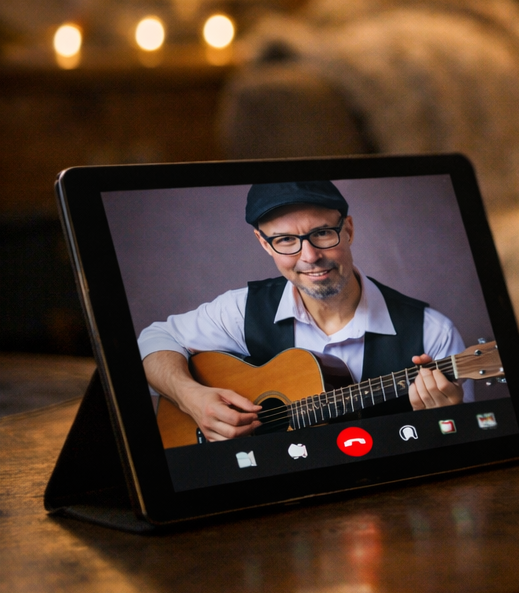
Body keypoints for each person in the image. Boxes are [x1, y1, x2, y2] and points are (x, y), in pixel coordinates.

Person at [140, 180, 469, 441]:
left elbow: (466, 449)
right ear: (265, 244)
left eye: (322, 233)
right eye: (285, 240)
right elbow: (153, 341)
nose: (309, 256)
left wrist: (444, 421)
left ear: (348, 230)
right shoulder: (241, 310)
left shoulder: (432, 333)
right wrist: (190, 397)